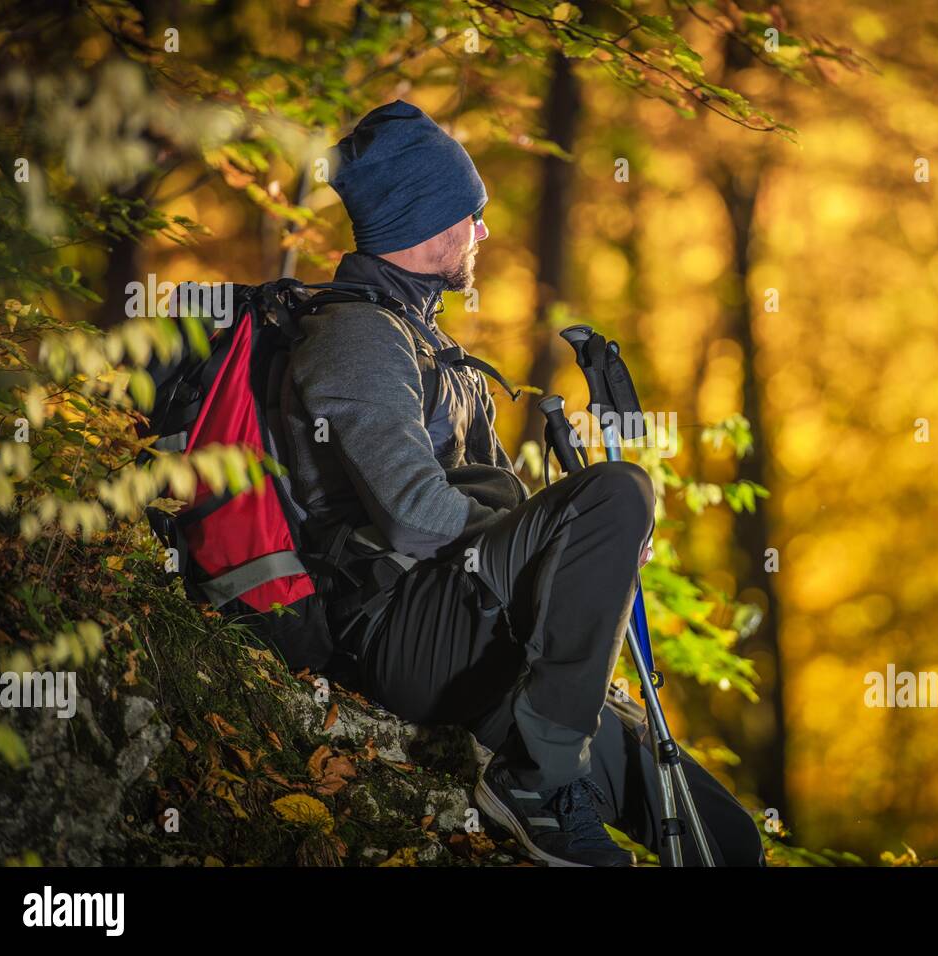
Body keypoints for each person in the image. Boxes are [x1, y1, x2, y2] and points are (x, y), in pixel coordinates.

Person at [281, 100, 764, 867]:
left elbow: (495, 508)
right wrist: (567, 539)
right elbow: (411, 515)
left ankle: (548, 760)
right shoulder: (354, 340)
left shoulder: (434, 345)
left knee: (726, 843)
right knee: (622, 490)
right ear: (426, 221)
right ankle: (537, 781)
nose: (484, 232)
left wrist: (580, 560)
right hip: (403, 622)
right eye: (471, 216)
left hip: (484, 632)